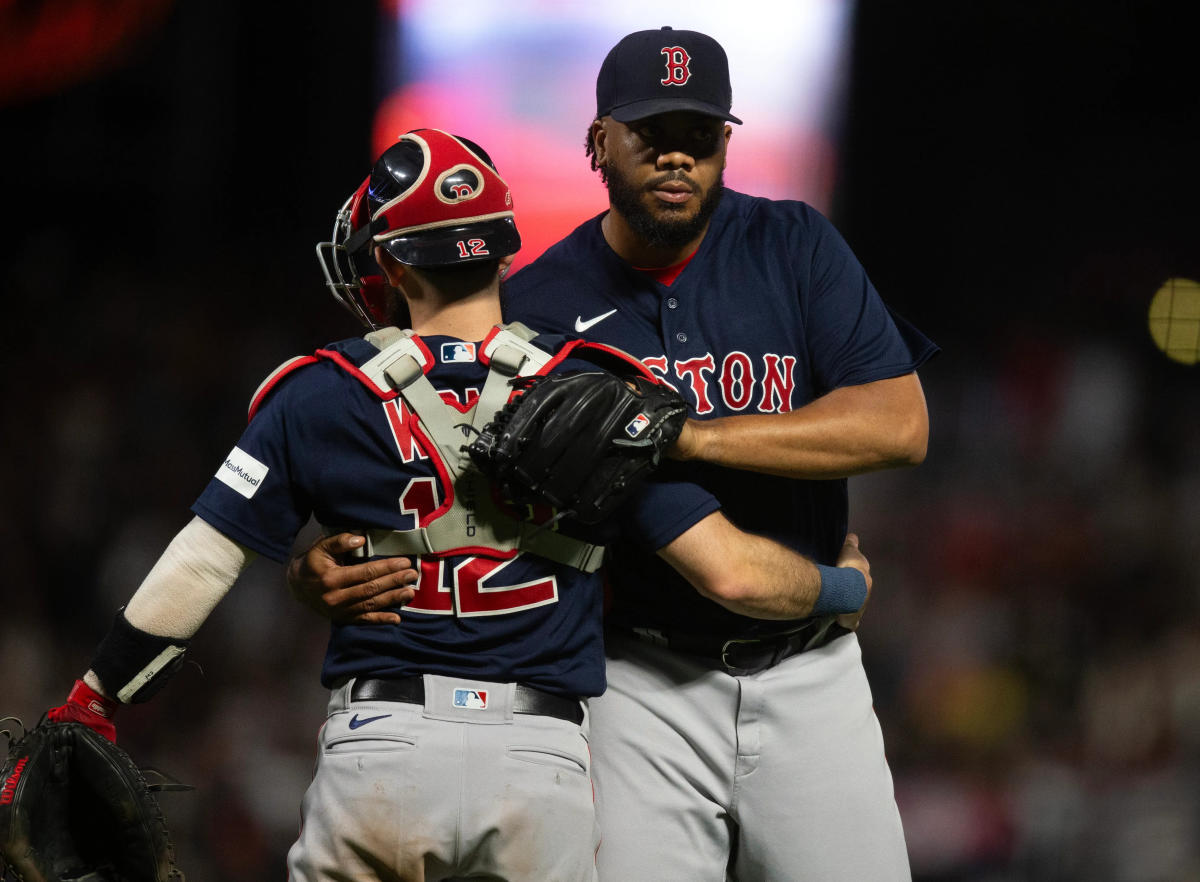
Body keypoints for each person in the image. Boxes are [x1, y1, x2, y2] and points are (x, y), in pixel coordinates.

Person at [43, 127, 878, 882]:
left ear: (394, 265)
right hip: (540, 760)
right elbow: (727, 571)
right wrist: (844, 588)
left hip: (381, 748)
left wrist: (92, 699)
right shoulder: (596, 387)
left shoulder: (320, 391)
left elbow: (200, 561)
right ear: (505, 256)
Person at [294, 27, 938, 881]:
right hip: (638, 682)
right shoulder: (538, 307)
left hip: (811, 670)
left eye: (700, 136)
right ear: (599, 140)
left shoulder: (793, 244)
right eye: (652, 134)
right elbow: (443, 489)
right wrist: (320, 568)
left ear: (727, 143)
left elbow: (899, 425)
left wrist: (688, 433)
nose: (678, 158)